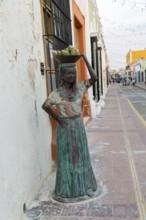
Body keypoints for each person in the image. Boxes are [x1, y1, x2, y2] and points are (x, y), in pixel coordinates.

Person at [42, 54, 101, 203]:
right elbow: (45, 105)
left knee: (81, 158)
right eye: (68, 73)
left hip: (78, 127)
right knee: (66, 160)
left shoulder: (80, 87)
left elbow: (94, 78)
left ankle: (83, 188)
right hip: (65, 128)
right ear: (61, 75)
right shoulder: (57, 93)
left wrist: (85, 59)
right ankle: (67, 191)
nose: (72, 75)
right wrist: (57, 118)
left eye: (73, 73)